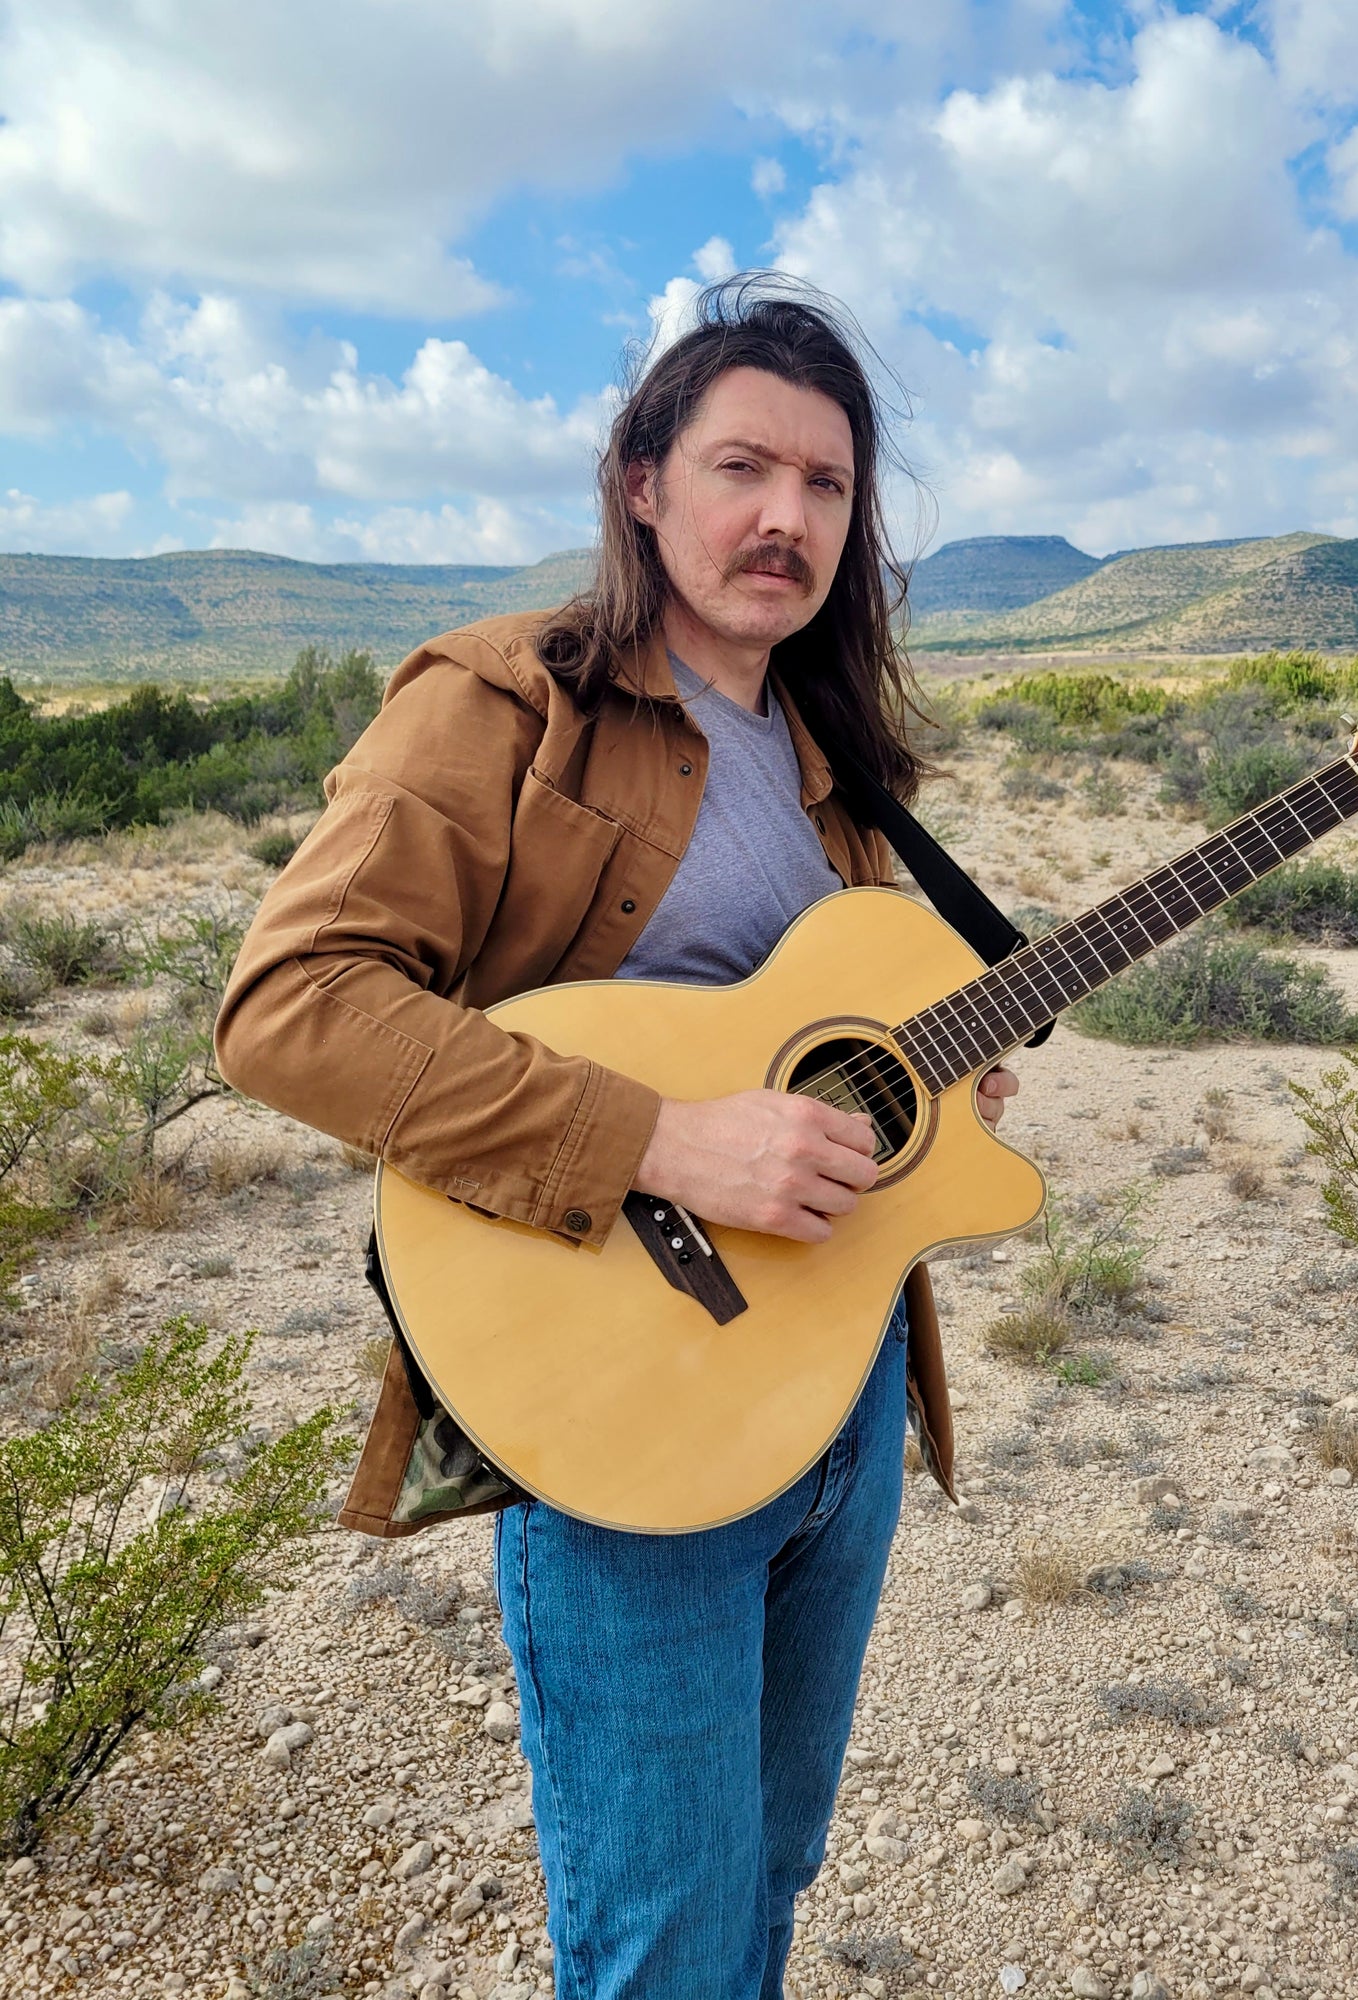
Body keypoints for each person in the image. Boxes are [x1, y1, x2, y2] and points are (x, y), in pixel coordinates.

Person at [215, 273, 1020, 2000]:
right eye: (745, 467)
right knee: (664, 1938)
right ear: (642, 484)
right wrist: (660, 1139)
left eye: (827, 484)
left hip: (838, 1387)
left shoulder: (832, 756)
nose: (788, 516)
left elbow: (799, 1046)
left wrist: (933, 1093)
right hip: (628, 1405)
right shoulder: (507, 703)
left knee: (769, 1875)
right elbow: (290, 1006)